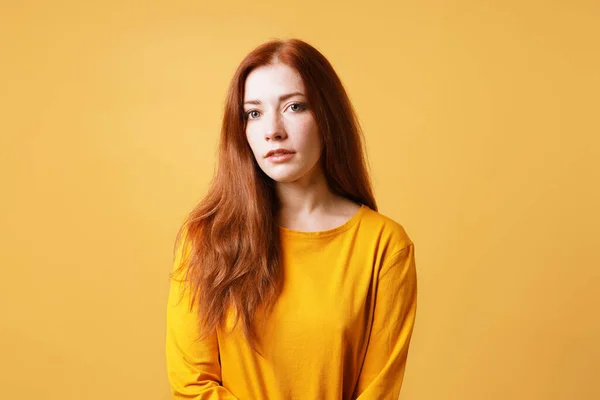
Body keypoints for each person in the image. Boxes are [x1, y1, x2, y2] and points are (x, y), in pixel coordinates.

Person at [165, 38, 418, 400]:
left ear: (328, 116)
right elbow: (192, 385)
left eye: (294, 106)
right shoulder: (205, 239)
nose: (273, 130)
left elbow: (378, 391)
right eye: (254, 113)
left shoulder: (384, 246)